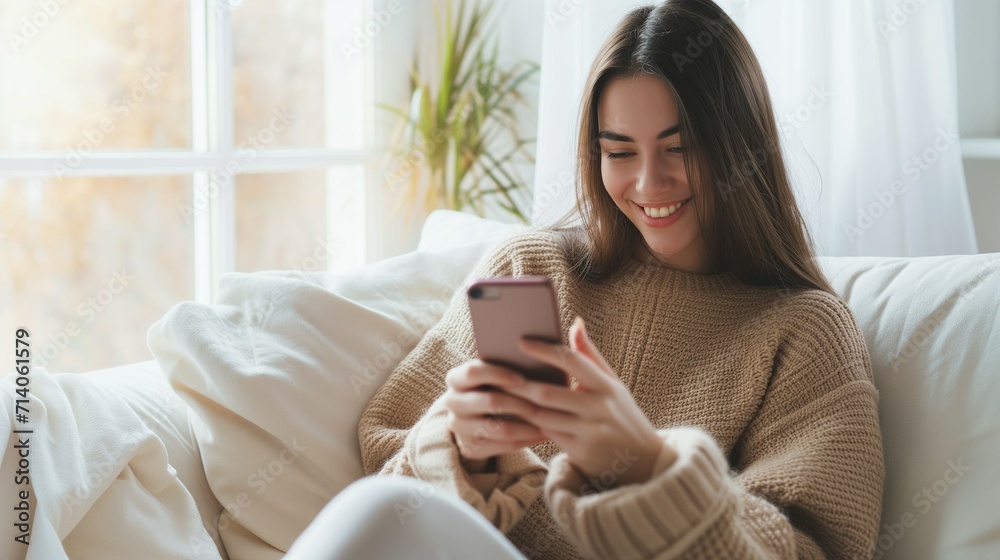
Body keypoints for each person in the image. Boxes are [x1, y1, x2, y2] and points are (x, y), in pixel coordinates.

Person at [286, 0, 883, 558]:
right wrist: (463, 451)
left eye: (681, 148)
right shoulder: (531, 268)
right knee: (378, 506)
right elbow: (389, 477)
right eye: (619, 152)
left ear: (739, 149)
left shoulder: (803, 332)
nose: (649, 184)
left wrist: (647, 466)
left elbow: (812, 550)